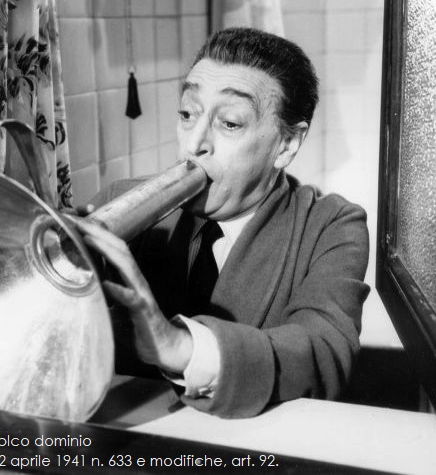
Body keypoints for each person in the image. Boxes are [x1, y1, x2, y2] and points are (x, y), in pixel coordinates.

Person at [75, 27, 370, 419]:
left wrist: (177, 346)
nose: (194, 144)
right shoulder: (119, 202)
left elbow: (323, 355)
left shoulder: (330, 226)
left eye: (229, 123)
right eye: (187, 114)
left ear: (286, 144)